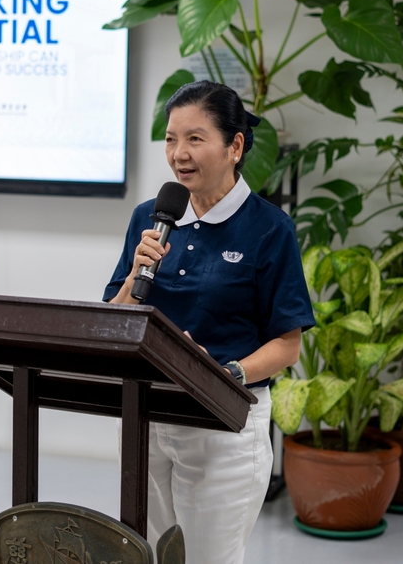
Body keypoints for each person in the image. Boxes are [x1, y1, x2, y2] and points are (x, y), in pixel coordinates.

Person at [104, 80, 315, 564]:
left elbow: (287, 345)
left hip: (223, 424)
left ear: (235, 145)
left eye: (195, 139)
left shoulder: (268, 228)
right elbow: (113, 320)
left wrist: (226, 374)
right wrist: (135, 274)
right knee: (150, 556)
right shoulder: (151, 217)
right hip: (146, 417)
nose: (179, 153)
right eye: (171, 139)